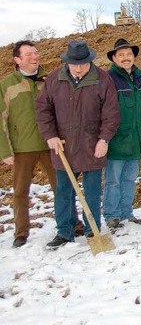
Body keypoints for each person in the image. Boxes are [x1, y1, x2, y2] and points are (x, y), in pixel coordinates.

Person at [36, 40, 120, 249]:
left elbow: (111, 114)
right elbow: (42, 110)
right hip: (63, 146)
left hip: (92, 145)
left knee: (91, 191)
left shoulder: (102, 79)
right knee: (64, 190)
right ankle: (65, 231)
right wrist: (50, 136)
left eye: (84, 63)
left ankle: (93, 230)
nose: (80, 68)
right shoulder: (55, 79)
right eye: (76, 64)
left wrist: (104, 139)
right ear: (68, 62)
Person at [0, 41, 57, 248]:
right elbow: (1, 119)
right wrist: (5, 150)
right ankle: (21, 231)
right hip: (22, 147)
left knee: (61, 187)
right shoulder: (7, 85)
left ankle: (70, 224)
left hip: (50, 144)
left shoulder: (49, 80)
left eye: (36, 52)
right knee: (20, 191)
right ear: (17, 60)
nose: (35, 57)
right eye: (29, 54)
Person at [104, 38, 141, 229]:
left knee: (129, 179)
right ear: (114, 58)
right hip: (117, 142)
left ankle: (126, 213)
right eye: (121, 55)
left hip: (136, 142)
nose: (126, 58)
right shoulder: (108, 79)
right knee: (113, 181)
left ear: (134, 56)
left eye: (129, 54)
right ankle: (111, 215)